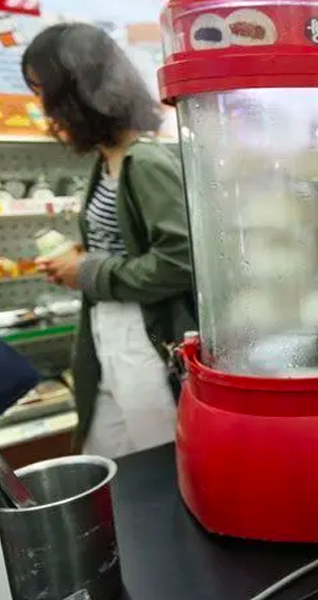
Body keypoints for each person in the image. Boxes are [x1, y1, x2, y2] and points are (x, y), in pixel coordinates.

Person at [24, 23, 196, 458]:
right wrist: (83, 262)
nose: (43, 108)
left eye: (44, 91)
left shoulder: (145, 161)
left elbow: (179, 261)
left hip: (147, 338)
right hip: (111, 332)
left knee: (158, 460)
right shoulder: (108, 162)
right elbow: (127, 248)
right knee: (110, 451)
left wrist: (87, 270)